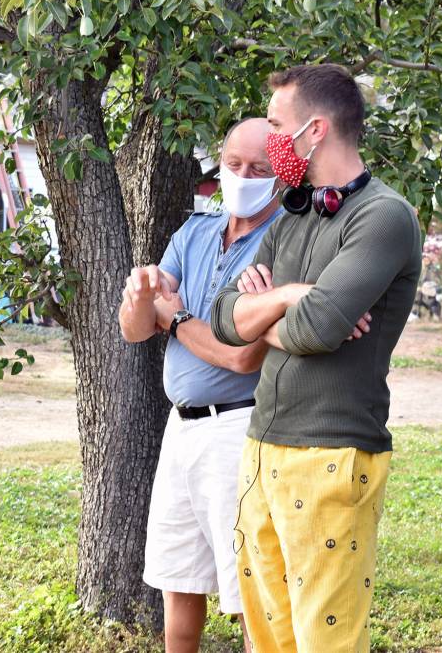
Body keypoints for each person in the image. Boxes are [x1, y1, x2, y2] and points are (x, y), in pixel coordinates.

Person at [210, 64, 422, 652]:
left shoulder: (383, 217)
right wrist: (289, 297)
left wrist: (278, 313)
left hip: (332, 453)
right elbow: (225, 317)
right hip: (261, 446)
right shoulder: (294, 212)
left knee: (322, 640)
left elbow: (319, 327)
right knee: (267, 635)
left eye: (277, 124)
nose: (269, 136)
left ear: (316, 129)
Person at [119, 118, 283, 653]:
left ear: (281, 173)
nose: (243, 176)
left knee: (248, 592)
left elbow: (241, 357)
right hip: (181, 428)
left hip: (238, 429)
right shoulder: (194, 231)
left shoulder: (283, 243)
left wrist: (173, 315)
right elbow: (134, 328)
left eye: (258, 168)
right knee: (179, 579)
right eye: (234, 164)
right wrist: (144, 296)